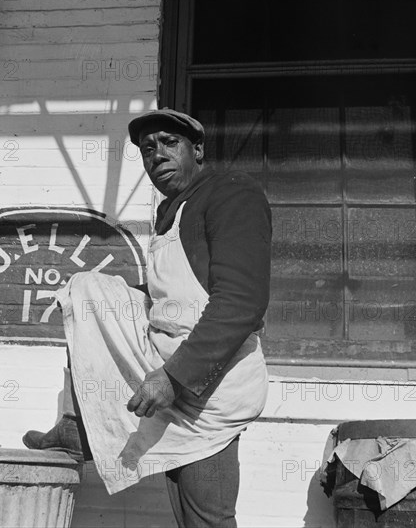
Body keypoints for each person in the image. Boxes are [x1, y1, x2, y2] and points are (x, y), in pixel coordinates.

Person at [23, 108, 272, 527]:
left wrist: (173, 378)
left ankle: (79, 428)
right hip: (167, 361)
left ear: (198, 149)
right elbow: (172, 295)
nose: (157, 155)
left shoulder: (231, 193)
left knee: (206, 519)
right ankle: (76, 422)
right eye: (147, 149)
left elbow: (241, 303)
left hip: (212, 382)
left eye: (169, 143)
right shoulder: (172, 211)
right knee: (87, 290)